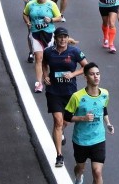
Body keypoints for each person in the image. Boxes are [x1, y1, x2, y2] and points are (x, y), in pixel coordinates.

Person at [42, 27, 88, 168]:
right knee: (57, 120)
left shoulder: (74, 51)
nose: (63, 39)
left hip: (69, 92)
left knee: (66, 121)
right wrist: (45, 75)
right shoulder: (48, 52)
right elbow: (44, 64)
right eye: (60, 37)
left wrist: (73, 74)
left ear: (68, 38)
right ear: (55, 38)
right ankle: (59, 155)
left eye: (65, 37)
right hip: (54, 91)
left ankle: (61, 131)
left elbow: (86, 66)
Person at [64, 62, 114, 184]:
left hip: (98, 139)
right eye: (92, 74)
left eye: (98, 74)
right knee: (80, 168)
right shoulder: (77, 97)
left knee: (97, 172)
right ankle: (78, 177)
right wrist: (82, 118)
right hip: (81, 140)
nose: (96, 77)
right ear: (85, 77)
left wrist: (108, 123)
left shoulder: (105, 94)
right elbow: (67, 116)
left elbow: (104, 109)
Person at [23, 0, 63, 93]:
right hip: (36, 34)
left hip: (49, 35)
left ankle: (50, 77)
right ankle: (39, 83)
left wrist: (51, 20)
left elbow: (59, 17)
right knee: (39, 58)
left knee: (49, 59)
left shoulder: (51, 4)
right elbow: (25, 14)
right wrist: (28, 22)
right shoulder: (30, 4)